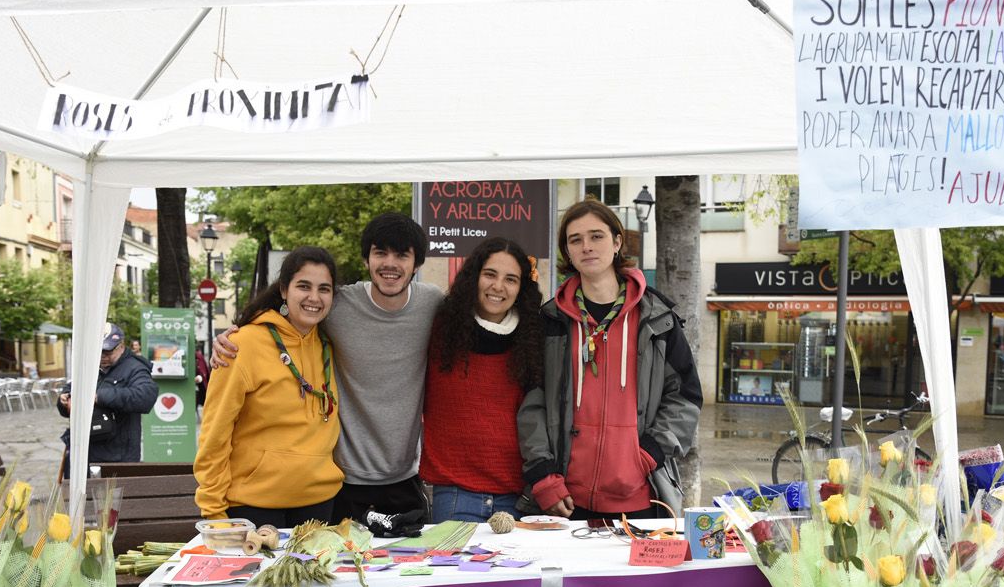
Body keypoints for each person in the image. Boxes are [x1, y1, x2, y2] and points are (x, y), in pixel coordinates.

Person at [213, 213, 440, 529]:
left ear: (416, 264)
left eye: (402, 255)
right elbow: (289, 315)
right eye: (380, 253)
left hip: (405, 477)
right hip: (343, 480)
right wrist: (230, 335)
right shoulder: (338, 305)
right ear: (366, 259)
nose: (391, 264)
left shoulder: (434, 304)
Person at [518, 198, 702, 520]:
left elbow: (685, 396)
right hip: (566, 501)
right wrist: (544, 478)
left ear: (617, 242)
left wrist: (648, 454)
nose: (586, 246)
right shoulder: (550, 321)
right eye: (575, 240)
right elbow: (531, 403)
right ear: (568, 252)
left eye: (596, 236)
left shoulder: (657, 319)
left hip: (641, 498)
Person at [194, 247, 342, 526]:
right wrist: (213, 511)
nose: (314, 297)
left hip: (320, 504)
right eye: (303, 286)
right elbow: (215, 433)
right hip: (253, 507)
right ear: (284, 290)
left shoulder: (329, 345)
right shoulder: (242, 344)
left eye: (324, 289)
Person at [420, 237, 543, 522]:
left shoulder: (533, 337)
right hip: (454, 495)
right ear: (474, 276)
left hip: (518, 499)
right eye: (490, 274)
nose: (498, 286)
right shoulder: (440, 327)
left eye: (511, 279)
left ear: (521, 287)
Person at [58, 323, 159, 466]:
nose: (102, 357)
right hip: (84, 451)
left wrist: (99, 397)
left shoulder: (135, 368)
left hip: (117, 456)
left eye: (107, 352)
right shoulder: (90, 366)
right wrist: (64, 399)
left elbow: (146, 396)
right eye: (98, 351)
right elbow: (71, 391)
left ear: (121, 346)